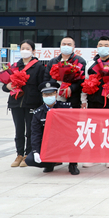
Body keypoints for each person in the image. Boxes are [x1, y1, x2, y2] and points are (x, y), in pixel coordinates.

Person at [44, 35, 87, 175]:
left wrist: (71, 88)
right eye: (64, 44)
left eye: (69, 44)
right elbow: (46, 80)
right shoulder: (53, 62)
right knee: (54, 133)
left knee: (72, 132)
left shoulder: (79, 61)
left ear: (74, 47)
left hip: (72, 101)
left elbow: (82, 82)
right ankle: (52, 161)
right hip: (55, 102)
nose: (66, 46)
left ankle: (73, 163)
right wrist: (54, 90)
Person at [82, 36, 109, 169]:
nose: (103, 47)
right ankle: (93, 157)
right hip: (93, 102)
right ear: (97, 47)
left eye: (106, 45)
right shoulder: (90, 64)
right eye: (100, 45)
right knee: (93, 130)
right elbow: (85, 83)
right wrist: (83, 100)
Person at [3, 40, 45, 169]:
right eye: (22, 48)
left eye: (27, 48)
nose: (24, 51)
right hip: (16, 103)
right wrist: (8, 87)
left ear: (33, 51)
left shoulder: (38, 66)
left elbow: (41, 85)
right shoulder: (15, 66)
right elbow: (5, 86)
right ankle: (19, 154)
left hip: (32, 103)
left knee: (31, 131)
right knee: (19, 130)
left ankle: (28, 154)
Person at [25, 81, 75, 173]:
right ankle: (49, 164)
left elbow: (73, 128)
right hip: (48, 144)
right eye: (46, 95)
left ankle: (73, 165)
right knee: (30, 160)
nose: (49, 97)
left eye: (51, 94)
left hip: (64, 142)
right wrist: (36, 151)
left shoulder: (65, 108)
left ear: (56, 94)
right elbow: (35, 134)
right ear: (42, 96)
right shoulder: (38, 113)